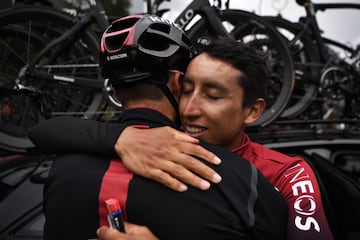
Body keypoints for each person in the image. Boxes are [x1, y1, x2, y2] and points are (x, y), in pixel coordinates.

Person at [30, 33, 335, 240]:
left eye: (212, 96)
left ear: (252, 111)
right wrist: (122, 137)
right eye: (186, 90)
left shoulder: (287, 174)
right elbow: (43, 131)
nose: (189, 109)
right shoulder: (151, 141)